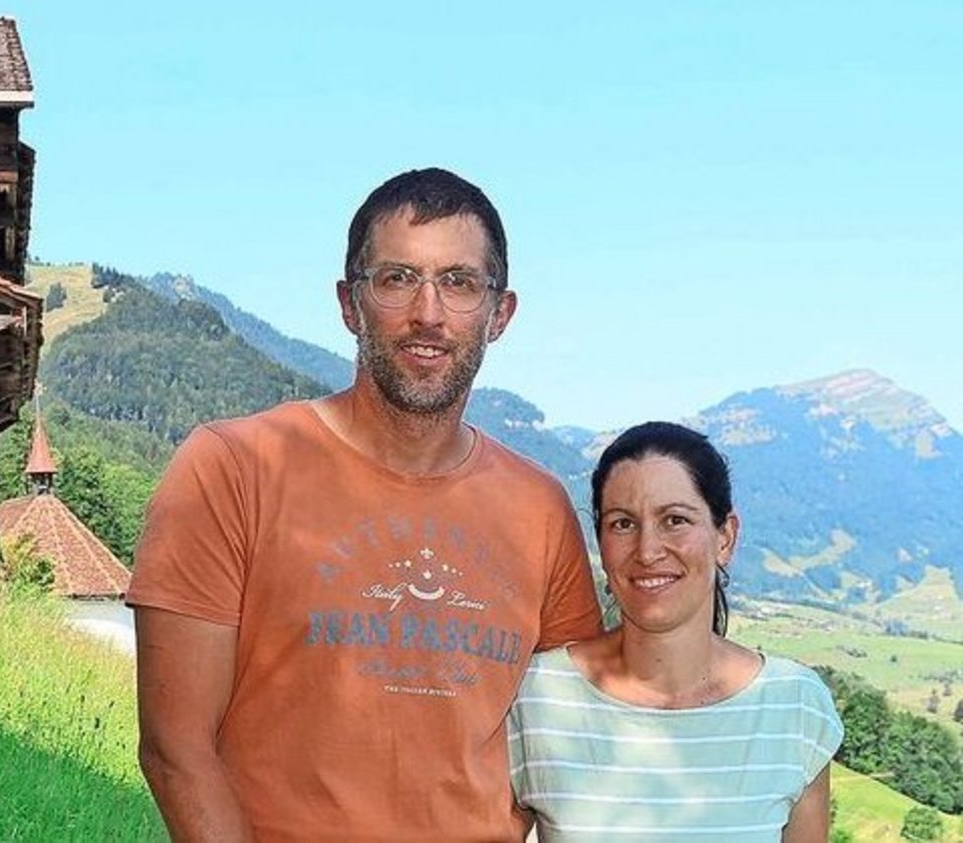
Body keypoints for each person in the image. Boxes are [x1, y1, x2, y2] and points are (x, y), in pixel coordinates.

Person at [127, 167, 604, 842]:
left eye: (460, 282)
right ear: (350, 303)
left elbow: (564, 754)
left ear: (500, 314)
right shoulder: (231, 469)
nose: (429, 314)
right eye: (397, 278)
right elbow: (176, 749)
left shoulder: (542, 510)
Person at [507, 421, 843, 842]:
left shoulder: (795, 707)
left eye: (675, 520)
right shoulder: (536, 695)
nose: (647, 551)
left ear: (725, 537)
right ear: (601, 544)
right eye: (622, 524)